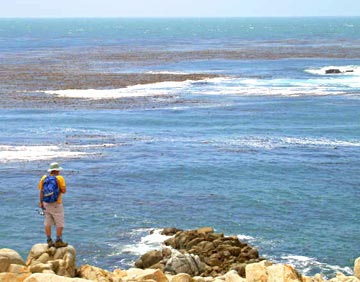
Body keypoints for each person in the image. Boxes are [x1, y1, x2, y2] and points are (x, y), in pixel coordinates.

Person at [38, 162, 68, 248]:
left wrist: (41, 202)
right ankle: (58, 240)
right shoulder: (60, 178)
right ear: (57, 170)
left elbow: (41, 191)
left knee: (47, 222)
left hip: (45, 203)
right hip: (56, 203)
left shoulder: (44, 178)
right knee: (60, 222)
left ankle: (49, 240)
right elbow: (64, 191)